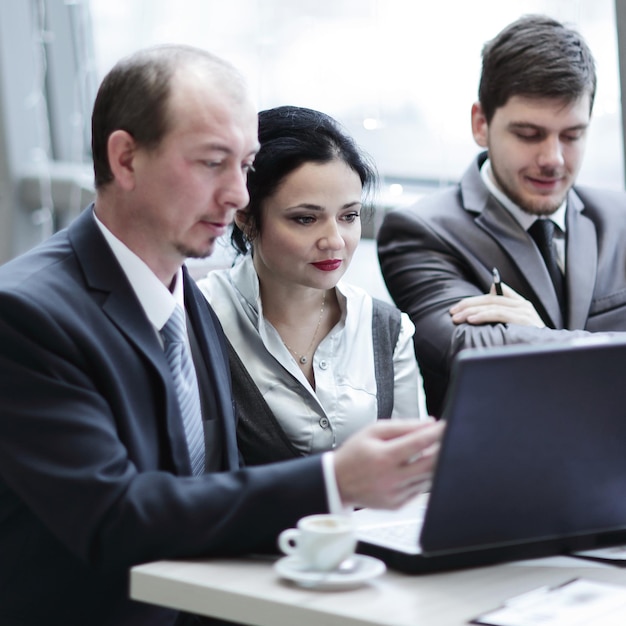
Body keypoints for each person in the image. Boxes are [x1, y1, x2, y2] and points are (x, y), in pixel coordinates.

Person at [0, 45, 443, 626]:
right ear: (126, 159)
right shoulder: (26, 313)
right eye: (213, 163)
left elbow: (214, 494)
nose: (237, 193)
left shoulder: (184, 295)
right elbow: (114, 519)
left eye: (245, 164)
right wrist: (335, 479)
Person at [377, 14, 626, 417]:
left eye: (572, 135)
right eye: (528, 134)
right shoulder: (420, 232)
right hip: (503, 473)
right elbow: (470, 351)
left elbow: (521, 350)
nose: (553, 159)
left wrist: (540, 336)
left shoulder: (620, 217)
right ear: (481, 123)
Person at [198, 105, 428, 466]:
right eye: (306, 219)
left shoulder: (386, 329)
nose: (334, 240)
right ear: (245, 215)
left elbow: (412, 470)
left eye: (349, 216)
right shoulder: (198, 317)